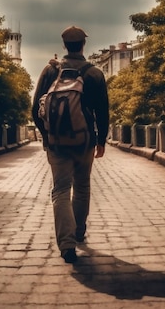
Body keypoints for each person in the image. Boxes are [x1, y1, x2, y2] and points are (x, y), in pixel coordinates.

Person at [32, 25, 109, 264]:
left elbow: (35, 108)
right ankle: (78, 232)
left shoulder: (50, 70)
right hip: (84, 140)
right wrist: (101, 141)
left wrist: (47, 135)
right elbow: (102, 111)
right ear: (83, 45)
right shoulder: (93, 73)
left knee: (61, 190)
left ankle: (66, 245)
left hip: (56, 142)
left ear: (64, 45)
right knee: (82, 187)